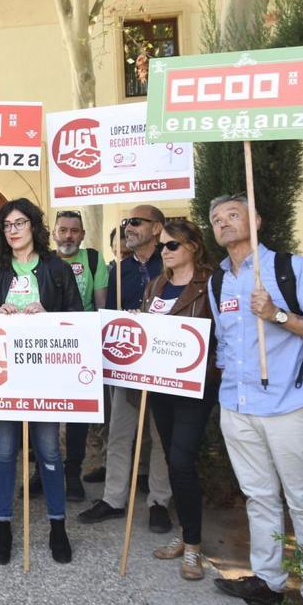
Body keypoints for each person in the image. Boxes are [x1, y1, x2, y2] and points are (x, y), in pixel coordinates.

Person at [207, 195, 303, 605]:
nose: (224, 223)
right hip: (237, 405)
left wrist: (278, 315)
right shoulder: (219, 281)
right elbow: (225, 342)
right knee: (258, 496)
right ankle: (269, 581)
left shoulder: (291, 268)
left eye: (233, 215)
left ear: (256, 221)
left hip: (290, 402)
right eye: (216, 219)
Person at [0, 198, 81, 565]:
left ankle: (57, 526)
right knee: (4, 452)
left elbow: (77, 317)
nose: (13, 230)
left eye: (20, 223)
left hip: (46, 376)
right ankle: (3, 526)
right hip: (4, 377)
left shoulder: (56, 268)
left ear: (34, 226)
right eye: (7, 225)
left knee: (49, 451)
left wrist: (48, 314)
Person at [80, 205, 173, 535]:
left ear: (157, 228)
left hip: (165, 367)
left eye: (135, 222)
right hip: (128, 367)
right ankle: (113, 499)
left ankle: (159, 502)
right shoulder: (120, 270)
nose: (128, 228)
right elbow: (109, 316)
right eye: (125, 222)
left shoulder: (170, 263)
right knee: (119, 434)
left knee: (161, 438)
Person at [140, 219, 219, 581]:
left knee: (183, 460)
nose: (165, 251)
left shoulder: (211, 283)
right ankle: (187, 534)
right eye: (162, 246)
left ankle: (193, 546)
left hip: (193, 387)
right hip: (161, 386)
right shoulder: (156, 284)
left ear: (192, 246)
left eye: (172, 245)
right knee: (173, 461)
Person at [51, 210, 109, 502]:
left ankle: (72, 472)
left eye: (74, 230)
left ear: (83, 235)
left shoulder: (94, 260)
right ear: (54, 233)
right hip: (47, 346)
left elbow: (100, 308)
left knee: (77, 415)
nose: (68, 236)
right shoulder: (43, 260)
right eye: (63, 230)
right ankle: (43, 472)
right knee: (45, 412)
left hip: (80, 347)